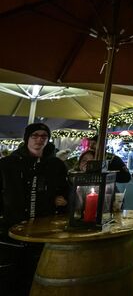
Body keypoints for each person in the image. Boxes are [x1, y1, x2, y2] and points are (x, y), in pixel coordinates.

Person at [0, 123, 69, 295]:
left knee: (35, 275)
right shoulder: (7, 164)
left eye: (43, 136)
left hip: (42, 231)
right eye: (35, 136)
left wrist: (63, 199)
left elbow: (66, 190)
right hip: (9, 231)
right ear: (27, 139)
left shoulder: (55, 165)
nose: (39, 140)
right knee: (8, 277)